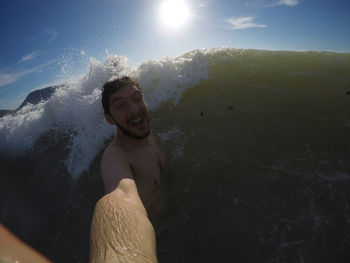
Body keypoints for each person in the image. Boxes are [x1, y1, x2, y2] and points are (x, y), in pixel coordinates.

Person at [89, 76, 167, 263]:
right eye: (120, 105)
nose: (134, 109)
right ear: (110, 119)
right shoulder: (115, 157)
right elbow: (120, 196)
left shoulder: (143, 131)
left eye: (137, 98)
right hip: (153, 239)